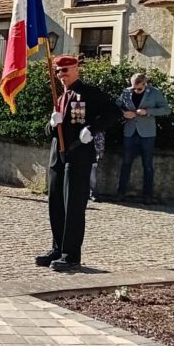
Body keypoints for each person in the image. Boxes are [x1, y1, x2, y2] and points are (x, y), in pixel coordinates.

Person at [38, 55, 121, 272]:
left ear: (76, 69)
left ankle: (71, 255)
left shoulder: (90, 93)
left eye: (65, 71)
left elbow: (114, 113)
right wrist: (50, 124)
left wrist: (93, 129)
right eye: (58, 72)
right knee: (55, 204)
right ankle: (57, 248)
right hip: (58, 155)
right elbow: (51, 132)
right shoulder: (60, 96)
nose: (61, 76)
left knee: (73, 205)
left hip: (78, 155)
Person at [115, 73, 169, 203]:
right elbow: (116, 106)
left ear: (146, 84)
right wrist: (123, 113)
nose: (135, 91)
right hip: (130, 132)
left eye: (139, 88)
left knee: (148, 165)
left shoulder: (154, 93)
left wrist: (148, 112)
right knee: (126, 163)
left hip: (148, 134)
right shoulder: (126, 92)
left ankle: (147, 196)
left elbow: (166, 109)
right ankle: (121, 193)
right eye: (133, 88)